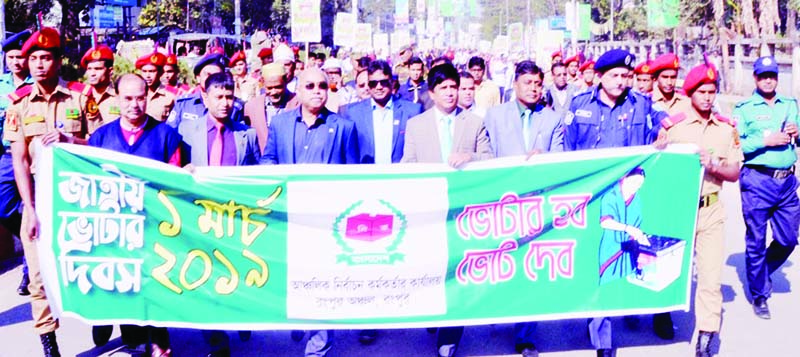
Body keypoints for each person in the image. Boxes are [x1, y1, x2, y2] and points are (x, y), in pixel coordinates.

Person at [564, 49, 667, 357]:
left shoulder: (641, 105)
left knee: (619, 262)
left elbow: (658, 127)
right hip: (591, 198)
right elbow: (567, 151)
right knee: (596, 262)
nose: (622, 82)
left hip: (626, 199)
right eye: (615, 76)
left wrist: (663, 129)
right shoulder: (579, 105)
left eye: (626, 76)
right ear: (600, 76)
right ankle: (600, 331)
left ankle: (607, 331)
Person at [3, 26, 90, 357]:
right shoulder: (19, 105)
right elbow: (19, 161)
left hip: (77, 195)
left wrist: (71, 141)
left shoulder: (80, 99)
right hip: (38, 196)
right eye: (34, 58)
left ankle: (106, 319)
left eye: (46, 58)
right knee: (38, 276)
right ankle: (49, 342)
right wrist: (30, 208)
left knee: (87, 265)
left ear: (58, 61)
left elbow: (99, 144)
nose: (39, 64)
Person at [260, 67, 358, 356]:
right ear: (298, 90)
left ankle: (318, 347)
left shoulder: (343, 127)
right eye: (310, 86)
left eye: (322, 86)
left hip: (326, 223)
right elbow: (268, 159)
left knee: (322, 285)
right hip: (289, 219)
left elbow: (354, 177)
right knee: (294, 280)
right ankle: (299, 317)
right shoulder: (280, 123)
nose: (317, 90)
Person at [400, 62, 492, 357]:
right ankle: (433, 315)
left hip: (463, 211)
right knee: (432, 268)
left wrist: (470, 156)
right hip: (429, 209)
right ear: (432, 92)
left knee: (457, 271)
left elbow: (491, 159)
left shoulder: (474, 122)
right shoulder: (416, 124)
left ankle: (449, 337)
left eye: (455, 87)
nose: (451, 93)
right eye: (444, 88)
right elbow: (408, 164)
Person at [88, 74, 183, 357]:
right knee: (121, 284)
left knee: (154, 287)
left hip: (154, 229)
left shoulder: (166, 136)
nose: (134, 105)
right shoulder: (101, 137)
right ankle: (113, 324)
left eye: (140, 97)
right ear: (117, 98)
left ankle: (158, 339)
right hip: (115, 231)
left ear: (148, 96)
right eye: (127, 98)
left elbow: (177, 184)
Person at [655, 62, 742, 357]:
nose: (707, 97)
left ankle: (706, 334)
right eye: (701, 92)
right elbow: (656, 163)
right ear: (690, 93)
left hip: (711, 211)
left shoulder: (726, 128)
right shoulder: (673, 125)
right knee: (669, 269)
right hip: (678, 210)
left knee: (709, 276)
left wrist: (714, 165)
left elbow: (734, 172)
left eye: (712, 91)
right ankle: (662, 313)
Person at [178, 72, 259, 356]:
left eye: (229, 97)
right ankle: (215, 339)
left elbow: (257, 175)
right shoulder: (186, 132)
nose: (225, 103)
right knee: (205, 277)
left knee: (233, 273)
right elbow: (171, 165)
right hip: (199, 217)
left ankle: (240, 315)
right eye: (218, 97)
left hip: (234, 219)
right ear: (205, 98)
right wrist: (180, 171)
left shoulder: (245, 135)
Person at [733, 56, 800, 321]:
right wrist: (766, 140)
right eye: (763, 76)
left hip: (786, 182)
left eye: (772, 75)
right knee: (757, 240)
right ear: (755, 79)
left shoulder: (790, 104)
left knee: (788, 239)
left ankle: (760, 272)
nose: (768, 80)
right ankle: (759, 294)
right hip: (758, 181)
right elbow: (737, 143)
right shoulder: (744, 108)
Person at [0, 30, 33, 297]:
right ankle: (26, 240)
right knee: (4, 208)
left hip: (35, 155)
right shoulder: (0, 85)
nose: (16, 62)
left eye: (21, 57)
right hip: (6, 156)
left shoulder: (37, 83)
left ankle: (29, 270)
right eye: (11, 57)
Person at [341, 59, 422, 165]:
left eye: (383, 82)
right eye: (373, 83)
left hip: (401, 177)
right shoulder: (353, 113)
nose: (379, 87)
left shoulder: (412, 111)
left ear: (391, 83)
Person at [485, 60, 563, 159]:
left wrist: (544, 155)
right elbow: (487, 154)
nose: (533, 88)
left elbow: (558, 156)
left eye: (538, 84)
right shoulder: (495, 116)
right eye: (527, 83)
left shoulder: (553, 119)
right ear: (515, 84)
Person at [167, 53, 246, 129]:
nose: (211, 79)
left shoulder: (233, 107)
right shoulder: (184, 105)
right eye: (208, 74)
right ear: (198, 78)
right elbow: (169, 134)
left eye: (216, 76)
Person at [243, 63, 300, 154]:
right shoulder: (251, 107)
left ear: (285, 81)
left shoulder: (299, 104)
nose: (274, 92)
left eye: (278, 87)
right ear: (262, 82)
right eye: (269, 88)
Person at [79, 42, 116, 131]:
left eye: (98, 69)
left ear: (110, 71)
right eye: (89, 69)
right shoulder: (80, 97)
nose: (92, 74)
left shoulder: (120, 97)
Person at [135, 51, 178, 121]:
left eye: (152, 71)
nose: (147, 76)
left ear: (160, 73)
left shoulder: (170, 96)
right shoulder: (135, 93)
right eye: (144, 71)